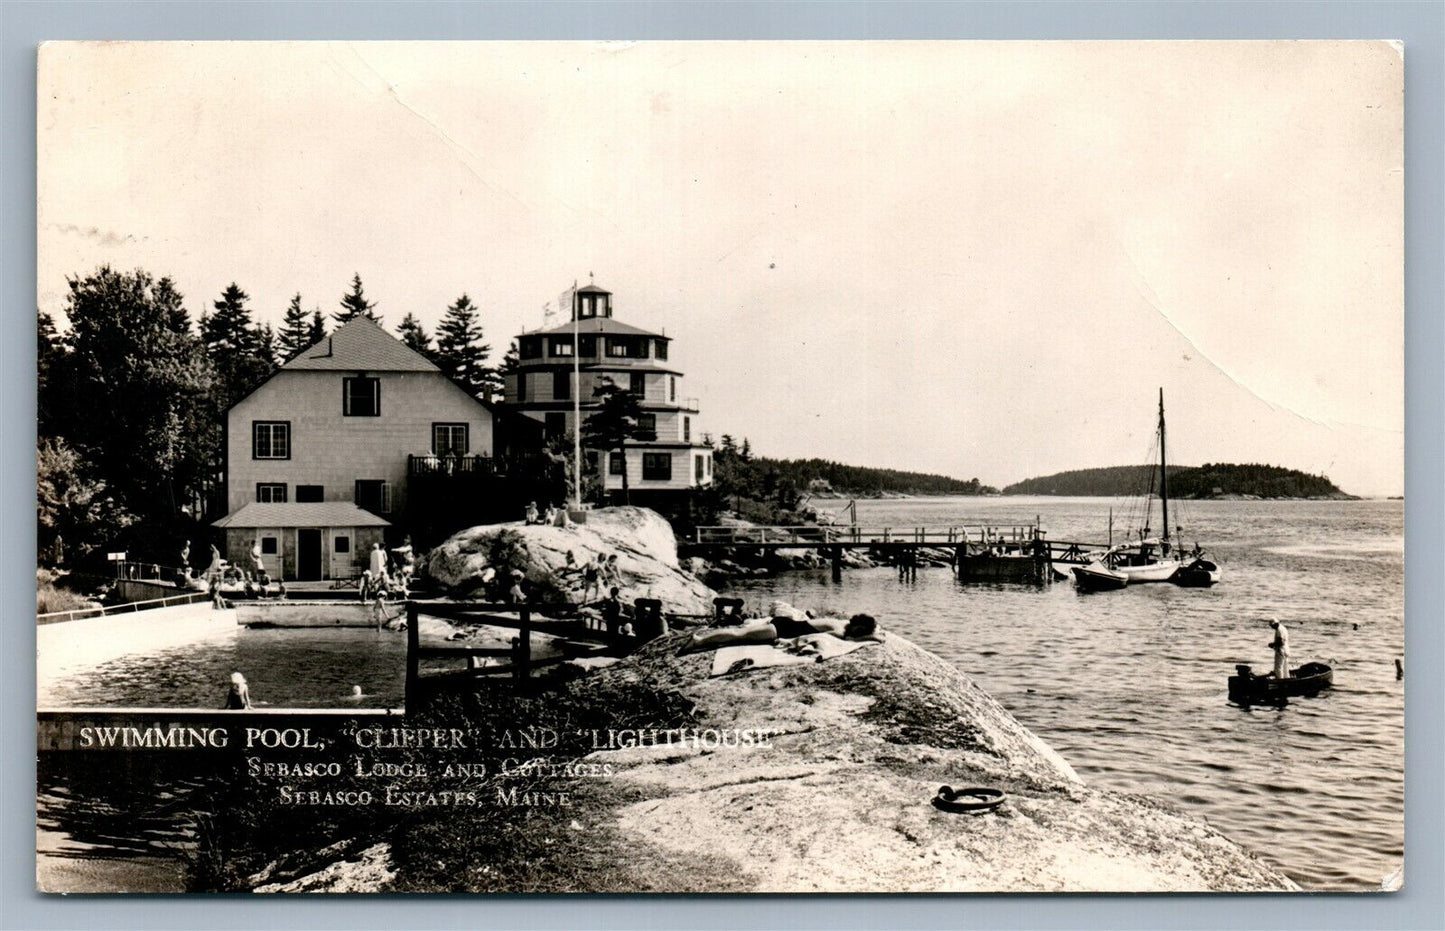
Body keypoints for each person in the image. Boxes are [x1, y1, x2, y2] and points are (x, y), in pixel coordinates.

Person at [687, 612, 886, 651]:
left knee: (741, 635)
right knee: (739, 636)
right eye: (861, 630)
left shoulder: (841, 622)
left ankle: (700, 639)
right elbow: (849, 640)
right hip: (782, 629)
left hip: (786, 624)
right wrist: (873, 637)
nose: (860, 632)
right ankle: (699, 641)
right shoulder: (839, 630)